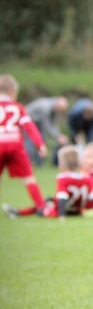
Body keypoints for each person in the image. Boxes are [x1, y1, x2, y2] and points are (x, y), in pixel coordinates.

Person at [6, 144, 93, 219]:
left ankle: (18, 212)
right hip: (77, 211)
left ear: (62, 165)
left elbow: (62, 197)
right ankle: (17, 212)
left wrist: (61, 216)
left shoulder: (62, 177)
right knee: (48, 200)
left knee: (40, 208)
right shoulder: (87, 178)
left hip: (62, 211)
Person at [0, 74, 48, 217]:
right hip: (15, 144)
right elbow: (29, 126)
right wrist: (40, 144)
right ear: (12, 91)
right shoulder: (18, 107)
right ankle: (41, 207)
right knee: (28, 178)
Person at [23, 95, 68, 166]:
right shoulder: (46, 108)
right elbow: (47, 125)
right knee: (30, 144)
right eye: (61, 110)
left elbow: (54, 124)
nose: (60, 112)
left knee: (41, 141)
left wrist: (59, 135)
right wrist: (58, 137)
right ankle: (27, 163)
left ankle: (39, 163)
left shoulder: (53, 108)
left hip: (37, 123)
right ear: (57, 105)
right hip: (27, 122)